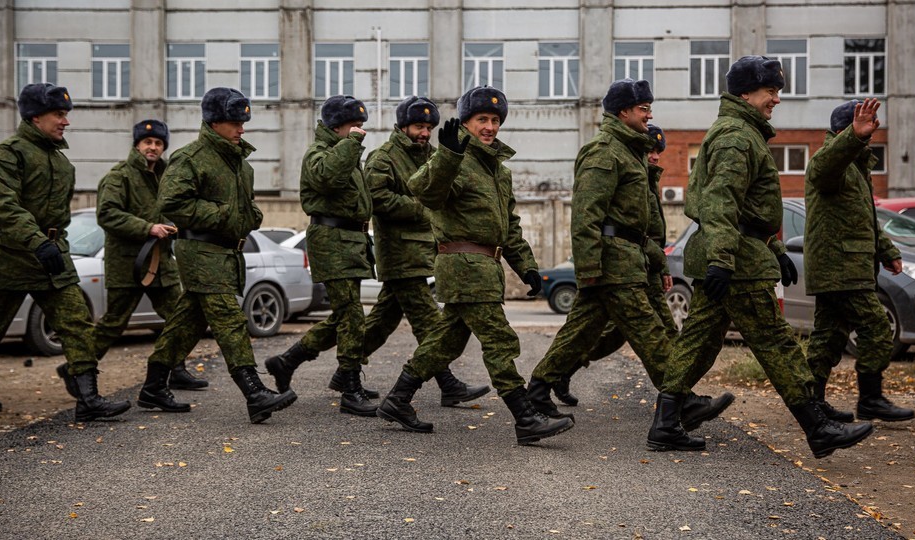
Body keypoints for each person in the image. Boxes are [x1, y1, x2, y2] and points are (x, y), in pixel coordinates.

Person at [646, 57, 875, 459]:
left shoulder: (743, 133)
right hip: (737, 259)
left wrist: (775, 249)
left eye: (777, 91)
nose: (777, 99)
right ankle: (817, 427)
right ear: (745, 94)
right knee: (776, 342)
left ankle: (665, 424)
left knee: (698, 342)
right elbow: (721, 202)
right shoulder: (736, 137)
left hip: (738, 251)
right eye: (770, 91)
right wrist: (722, 260)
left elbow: (749, 209)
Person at [526, 81, 731, 434]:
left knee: (580, 333)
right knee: (650, 332)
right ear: (623, 112)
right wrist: (589, 268)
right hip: (612, 264)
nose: (649, 115)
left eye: (649, 108)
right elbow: (586, 216)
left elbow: (638, 225)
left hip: (626, 259)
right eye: (643, 109)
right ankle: (684, 401)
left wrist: (654, 260)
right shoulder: (604, 151)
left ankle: (538, 389)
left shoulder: (629, 151)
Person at [375, 86, 573, 445]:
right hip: (464, 266)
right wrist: (448, 155)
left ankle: (397, 399)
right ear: (466, 122)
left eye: (495, 120)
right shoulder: (456, 160)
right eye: (482, 119)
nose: (490, 127)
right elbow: (424, 190)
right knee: (499, 340)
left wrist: (526, 266)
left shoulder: (497, 170)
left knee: (444, 343)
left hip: (484, 267)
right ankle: (525, 418)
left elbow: (508, 227)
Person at [138, 87, 295, 423]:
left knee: (187, 323)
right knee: (229, 320)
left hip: (227, 253)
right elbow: (172, 203)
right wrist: (225, 215)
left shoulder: (240, 164)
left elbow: (248, 207)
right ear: (213, 123)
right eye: (234, 123)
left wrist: (251, 217)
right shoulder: (191, 158)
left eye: (243, 122)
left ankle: (153, 386)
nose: (241, 129)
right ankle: (255, 392)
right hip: (200, 251)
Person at [0, 84, 130, 421]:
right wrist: (37, 241)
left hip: (52, 255)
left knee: (77, 322)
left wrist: (54, 246)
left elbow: (59, 217)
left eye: (66, 114)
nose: (66, 121)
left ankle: (88, 399)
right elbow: (1, 207)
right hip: (8, 256)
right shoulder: (7, 155)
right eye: (59, 114)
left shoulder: (62, 163)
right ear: (35, 117)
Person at [55, 120, 207, 398]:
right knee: (114, 323)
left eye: (158, 143)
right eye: (147, 142)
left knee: (179, 319)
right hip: (128, 263)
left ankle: (176, 369)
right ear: (137, 145)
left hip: (162, 262)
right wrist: (148, 228)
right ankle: (76, 368)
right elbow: (108, 215)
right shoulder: (119, 177)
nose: (153, 147)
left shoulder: (167, 177)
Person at [360, 95, 489, 405]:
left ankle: (331, 367)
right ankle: (448, 384)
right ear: (403, 126)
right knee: (430, 321)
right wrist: (422, 208)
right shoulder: (383, 157)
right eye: (419, 126)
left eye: (429, 128)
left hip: (423, 252)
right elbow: (376, 198)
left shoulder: (430, 155)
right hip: (400, 254)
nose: (425, 133)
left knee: (380, 324)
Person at [264, 95, 378, 417]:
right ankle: (350, 388)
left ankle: (287, 361)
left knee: (344, 315)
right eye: (354, 125)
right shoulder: (319, 153)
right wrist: (352, 144)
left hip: (350, 241)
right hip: (332, 240)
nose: (359, 131)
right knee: (351, 315)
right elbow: (328, 177)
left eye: (361, 126)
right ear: (336, 126)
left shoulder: (346, 153)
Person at [804, 98, 915, 422]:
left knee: (828, 337)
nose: (870, 134)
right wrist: (853, 136)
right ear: (844, 131)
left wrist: (887, 252)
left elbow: (865, 220)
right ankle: (870, 399)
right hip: (839, 266)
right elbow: (824, 169)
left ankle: (811, 402)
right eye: (863, 128)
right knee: (877, 327)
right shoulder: (831, 162)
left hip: (846, 266)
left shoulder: (856, 168)